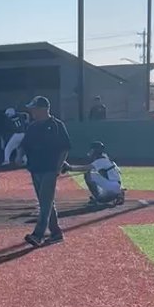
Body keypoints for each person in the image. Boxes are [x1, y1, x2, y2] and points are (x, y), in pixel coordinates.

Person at [21, 96, 71, 248]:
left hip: (50, 168)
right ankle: (56, 233)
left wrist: (58, 166)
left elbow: (65, 148)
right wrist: (20, 156)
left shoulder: (56, 125)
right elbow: (25, 145)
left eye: (34, 108)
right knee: (46, 202)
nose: (32, 111)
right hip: (35, 168)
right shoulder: (32, 126)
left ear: (43, 109)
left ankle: (38, 234)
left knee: (45, 203)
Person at [83, 141, 125, 207]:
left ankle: (98, 197)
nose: (91, 151)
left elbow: (86, 168)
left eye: (92, 149)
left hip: (111, 189)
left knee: (88, 175)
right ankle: (119, 194)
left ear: (95, 150)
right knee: (94, 175)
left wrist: (69, 167)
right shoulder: (105, 157)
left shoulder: (100, 160)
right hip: (116, 185)